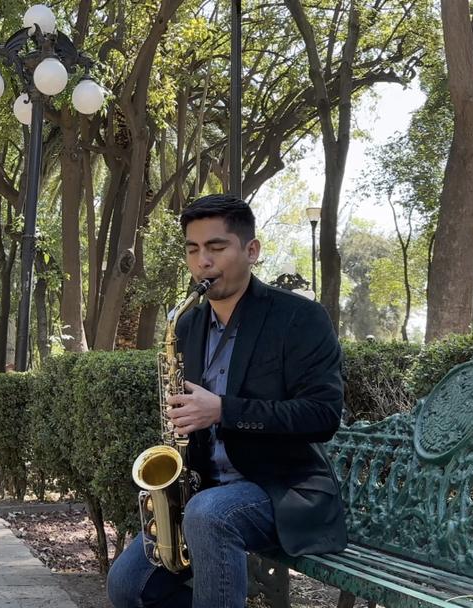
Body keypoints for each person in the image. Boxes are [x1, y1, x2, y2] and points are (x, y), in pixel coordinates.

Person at [107, 194, 347, 608]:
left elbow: (323, 414)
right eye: (193, 249)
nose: (203, 261)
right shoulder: (186, 326)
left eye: (216, 247)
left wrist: (223, 410)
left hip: (281, 489)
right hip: (203, 489)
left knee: (210, 513)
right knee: (127, 587)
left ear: (251, 250)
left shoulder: (299, 318)